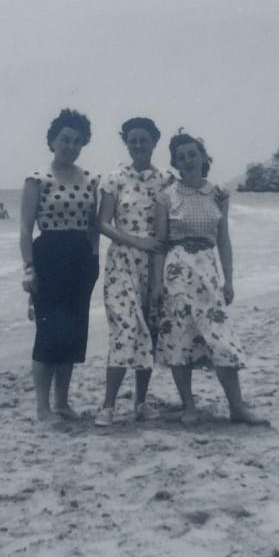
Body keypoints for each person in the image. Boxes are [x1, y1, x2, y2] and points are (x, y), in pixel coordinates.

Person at [150, 131, 268, 426]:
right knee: (180, 338)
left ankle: (237, 406)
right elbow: (160, 243)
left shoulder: (218, 193)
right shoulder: (166, 196)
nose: (188, 160)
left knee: (221, 339)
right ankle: (189, 406)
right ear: (175, 163)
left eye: (192, 154)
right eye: (181, 157)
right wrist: (156, 284)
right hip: (177, 273)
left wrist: (229, 280)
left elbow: (224, 239)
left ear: (203, 157)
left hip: (208, 272)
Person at [19, 108, 100, 422]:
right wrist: (28, 268)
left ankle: (63, 403)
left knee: (73, 334)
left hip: (81, 259)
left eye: (77, 141)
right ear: (52, 141)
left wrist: (93, 260)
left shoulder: (91, 179)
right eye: (65, 139)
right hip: (48, 255)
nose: (71, 146)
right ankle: (42, 407)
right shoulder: (38, 178)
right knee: (48, 333)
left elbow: (93, 226)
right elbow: (26, 228)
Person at [93, 117, 173, 427]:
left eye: (144, 140)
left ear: (154, 142)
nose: (138, 145)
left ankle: (140, 402)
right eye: (132, 140)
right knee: (125, 330)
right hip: (121, 263)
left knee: (149, 331)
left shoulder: (167, 180)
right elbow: (102, 223)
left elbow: (167, 226)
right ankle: (108, 406)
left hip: (154, 264)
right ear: (126, 143)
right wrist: (137, 241)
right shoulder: (114, 178)